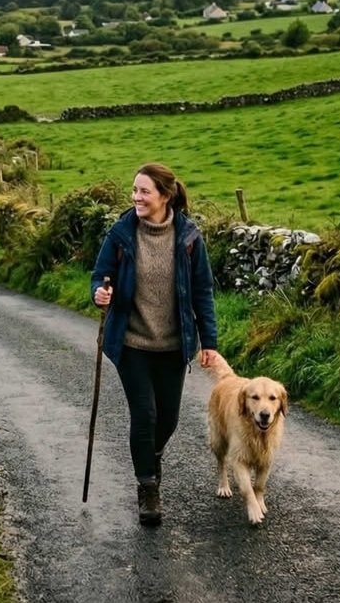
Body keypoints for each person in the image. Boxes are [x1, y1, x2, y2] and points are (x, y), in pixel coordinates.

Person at [91, 162, 218, 526]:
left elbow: (203, 292)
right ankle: (148, 488)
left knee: (169, 418)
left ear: (165, 195)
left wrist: (208, 341)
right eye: (134, 190)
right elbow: (101, 275)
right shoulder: (121, 233)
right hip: (131, 342)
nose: (136, 197)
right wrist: (100, 292)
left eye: (144, 191)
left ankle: (152, 455)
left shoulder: (190, 238)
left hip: (173, 345)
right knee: (144, 414)